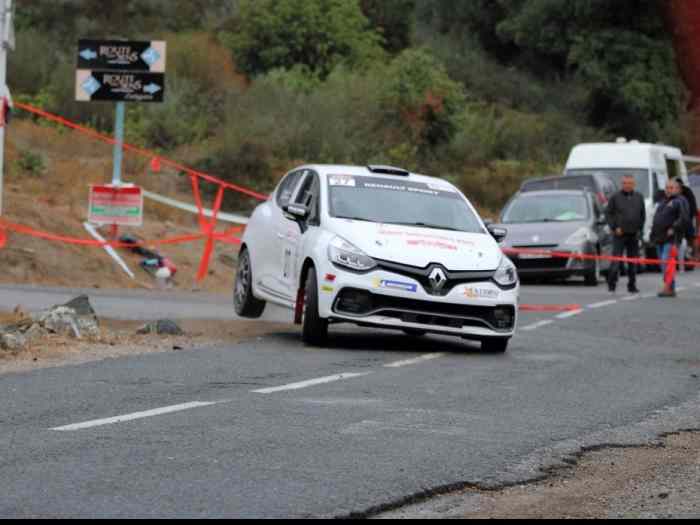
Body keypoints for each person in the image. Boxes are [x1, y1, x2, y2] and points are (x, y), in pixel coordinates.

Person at [606, 174, 646, 293]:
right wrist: (614, 227)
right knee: (616, 262)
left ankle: (632, 285)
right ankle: (612, 283)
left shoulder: (639, 197)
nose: (627, 185)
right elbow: (608, 214)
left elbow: (642, 215)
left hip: (633, 234)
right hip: (619, 234)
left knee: (633, 262)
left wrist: (640, 230)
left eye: (629, 183)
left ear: (634, 184)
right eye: (625, 183)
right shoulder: (615, 197)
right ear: (621, 184)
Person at [651, 179, 690, 298]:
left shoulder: (680, 201)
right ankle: (670, 286)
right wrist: (652, 234)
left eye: (671, 187)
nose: (668, 190)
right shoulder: (663, 201)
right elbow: (657, 219)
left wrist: (674, 227)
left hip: (672, 238)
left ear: (678, 189)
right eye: (667, 187)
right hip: (660, 237)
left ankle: (667, 287)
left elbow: (684, 218)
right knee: (664, 263)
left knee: (665, 262)